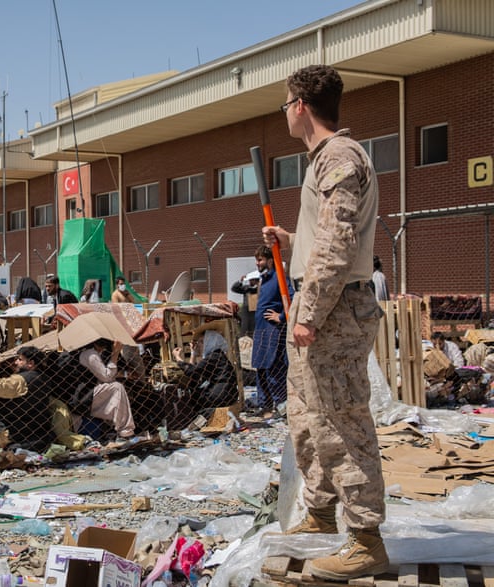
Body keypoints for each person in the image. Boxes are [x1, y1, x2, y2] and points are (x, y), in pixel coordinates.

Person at [262, 64, 387, 580]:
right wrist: (291, 242)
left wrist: (308, 311)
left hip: (333, 310)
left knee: (341, 421)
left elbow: (340, 243)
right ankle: (320, 511)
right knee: (309, 418)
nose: (285, 113)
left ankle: (365, 540)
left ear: (299, 106)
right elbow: (326, 237)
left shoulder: (338, 156)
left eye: (285, 104)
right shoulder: (325, 160)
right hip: (324, 305)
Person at [0, 346, 53, 451]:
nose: (16, 362)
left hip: (11, 431)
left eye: (20, 360)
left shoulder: (21, 380)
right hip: (33, 429)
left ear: (31, 363)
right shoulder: (44, 378)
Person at [251, 245, 292, 416]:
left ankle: (281, 406)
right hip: (261, 329)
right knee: (260, 367)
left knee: (274, 368)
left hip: (273, 330)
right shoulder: (264, 279)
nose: (257, 263)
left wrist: (281, 316)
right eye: (256, 260)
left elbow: (292, 298)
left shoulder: (279, 277)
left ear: (269, 260)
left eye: (260, 260)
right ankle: (265, 405)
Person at [79, 339, 136, 440]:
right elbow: (107, 377)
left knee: (117, 387)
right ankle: (125, 432)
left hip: (90, 393)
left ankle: (115, 428)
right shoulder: (90, 354)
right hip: (84, 397)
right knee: (117, 387)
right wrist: (115, 353)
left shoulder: (92, 353)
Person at [231, 270, 261, 337]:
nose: (249, 282)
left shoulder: (261, 288)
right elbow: (234, 288)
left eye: (251, 280)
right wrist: (240, 281)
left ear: (255, 280)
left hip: (256, 312)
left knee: (255, 329)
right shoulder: (246, 288)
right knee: (245, 329)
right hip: (246, 312)